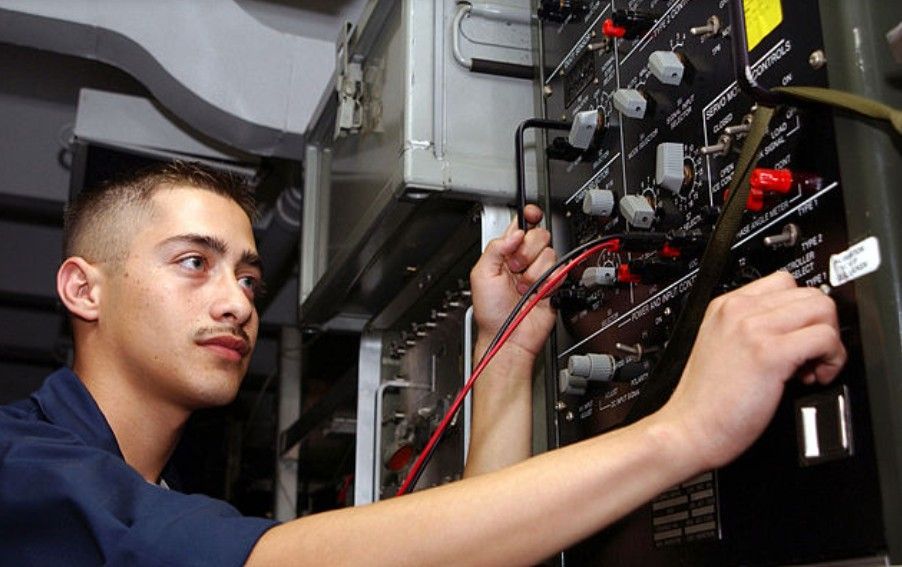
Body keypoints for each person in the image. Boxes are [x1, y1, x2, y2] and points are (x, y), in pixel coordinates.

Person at [0, 161, 845, 565]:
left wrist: (504, 354)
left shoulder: (161, 498)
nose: (238, 302)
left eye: (250, 277)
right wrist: (685, 430)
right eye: (195, 263)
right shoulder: (23, 469)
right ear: (84, 288)